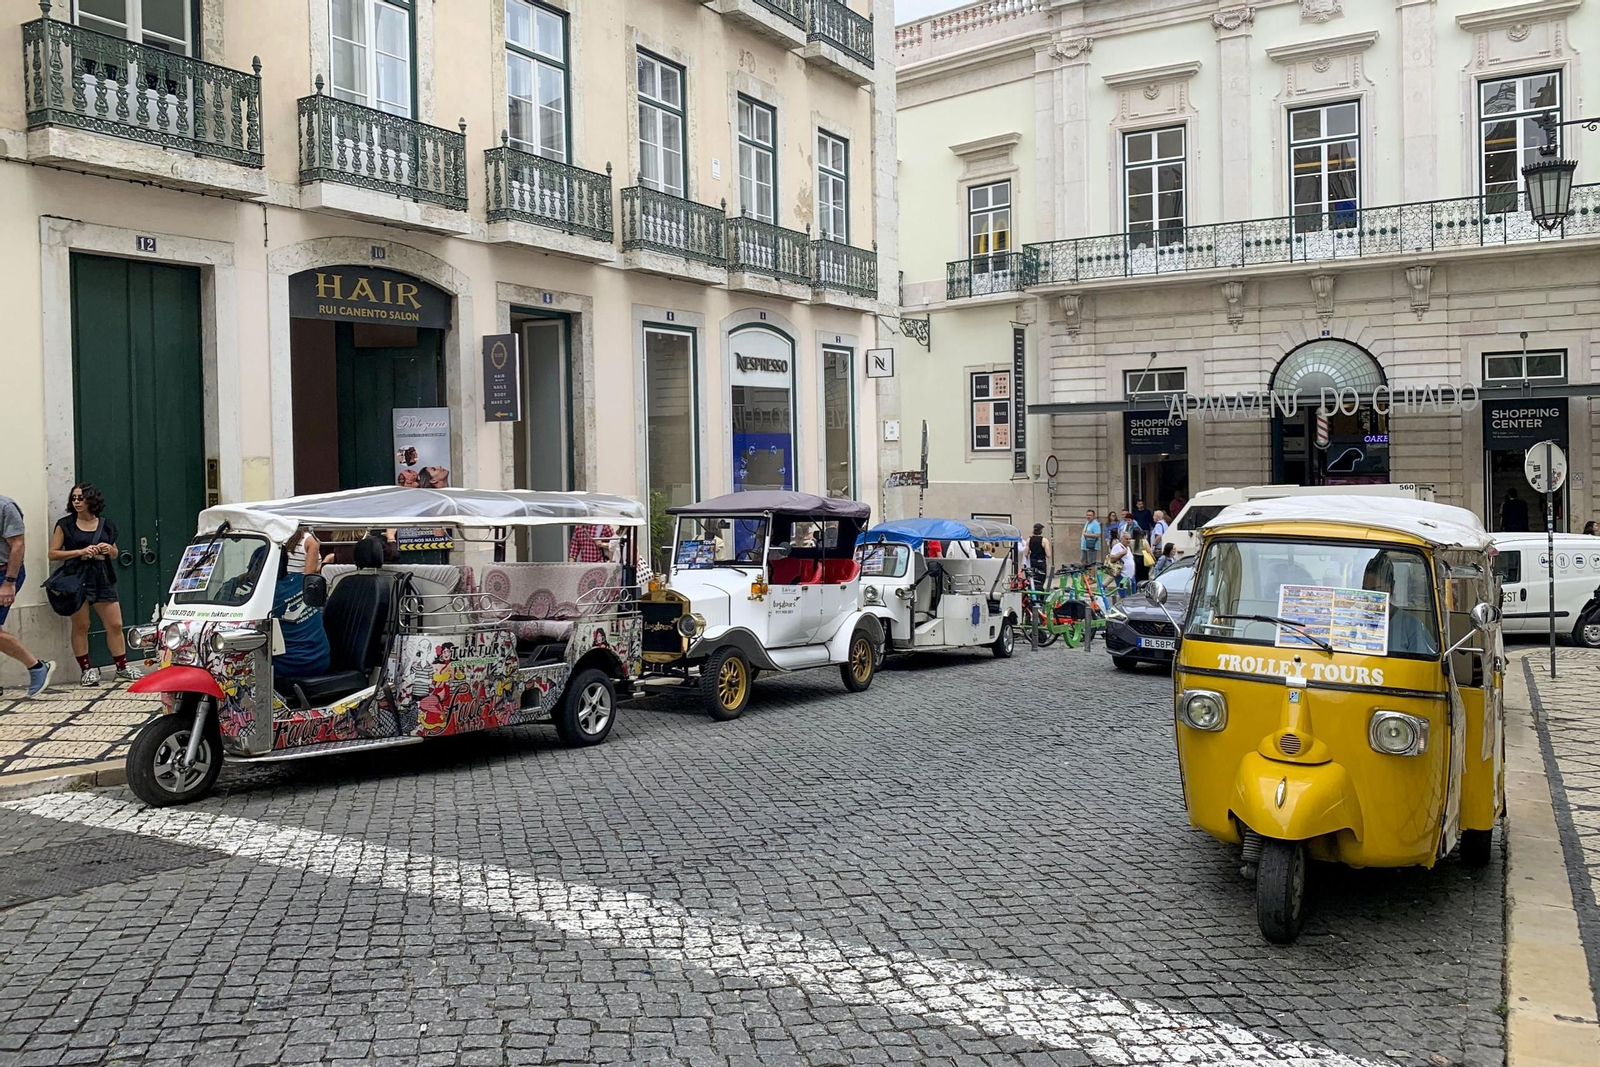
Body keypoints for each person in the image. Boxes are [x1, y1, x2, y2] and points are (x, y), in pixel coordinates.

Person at [49, 483, 140, 686]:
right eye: (74, 498)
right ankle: (87, 670)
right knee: (82, 625)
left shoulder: (106, 525)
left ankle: (122, 667)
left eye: (81, 498)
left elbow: (115, 553)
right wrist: (80, 552)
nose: (77, 502)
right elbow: (53, 553)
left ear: (92, 499)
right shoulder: (65, 524)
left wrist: (109, 549)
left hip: (102, 575)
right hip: (77, 576)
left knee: (115, 624)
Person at [0, 493, 55, 698]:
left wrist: (9, 583)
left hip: (4, 573)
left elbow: (18, 545)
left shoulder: (5, 507)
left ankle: (37, 666)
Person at [273, 528, 332, 686]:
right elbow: (308, 576)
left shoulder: (270, 594)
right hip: (319, 658)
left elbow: (309, 573)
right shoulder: (296, 541)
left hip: (299, 664)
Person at [1363, 553, 1437, 656]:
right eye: (1365, 591)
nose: (1370, 597)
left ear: (1391, 587)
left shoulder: (1411, 626)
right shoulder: (1352, 621)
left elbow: (1423, 667)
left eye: (1376, 592)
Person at [1108, 528, 1134, 593]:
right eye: (1126, 539)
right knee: (1123, 596)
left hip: (1130, 576)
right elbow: (1112, 558)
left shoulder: (1128, 547)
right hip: (1122, 576)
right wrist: (1121, 554)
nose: (1128, 540)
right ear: (1121, 539)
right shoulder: (1117, 546)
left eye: (1129, 539)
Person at [1027, 523, 1050, 589]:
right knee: (1041, 579)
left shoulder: (1029, 540)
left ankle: (1033, 592)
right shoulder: (1044, 540)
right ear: (1041, 530)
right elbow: (1048, 555)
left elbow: (1026, 553)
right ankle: (1040, 592)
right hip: (1041, 561)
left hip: (1032, 561)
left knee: (1033, 578)